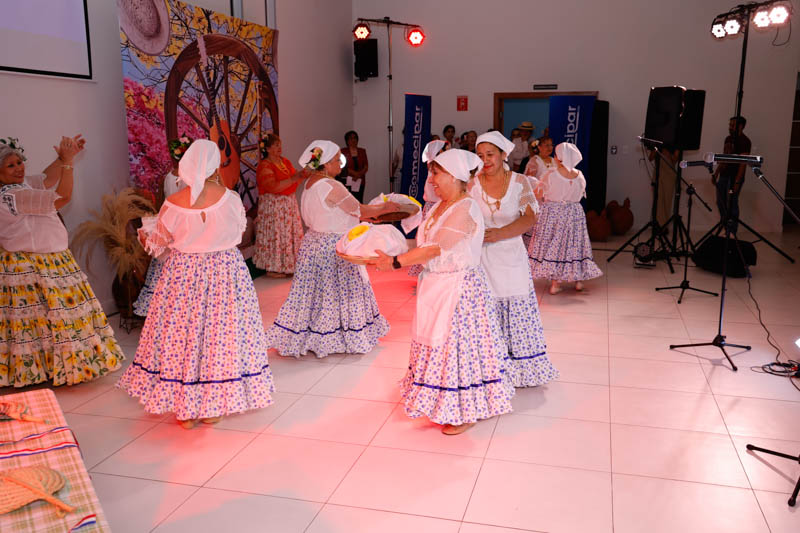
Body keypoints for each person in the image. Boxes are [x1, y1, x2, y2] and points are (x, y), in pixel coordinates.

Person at [118, 139, 274, 428]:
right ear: (215, 165)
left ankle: (185, 408)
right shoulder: (231, 198)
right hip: (225, 273)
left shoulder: (172, 204)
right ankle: (211, 405)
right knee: (219, 338)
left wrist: (145, 237)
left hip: (183, 275)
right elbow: (238, 234)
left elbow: (159, 246)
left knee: (183, 338)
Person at [374, 149, 514, 435]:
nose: (432, 179)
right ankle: (439, 399)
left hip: (459, 290)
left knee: (456, 349)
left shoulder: (466, 208)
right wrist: (390, 249)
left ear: (455, 176)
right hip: (437, 285)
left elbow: (436, 248)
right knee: (436, 345)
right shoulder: (441, 206)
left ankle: (465, 410)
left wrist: (396, 262)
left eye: (437, 173)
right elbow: (425, 244)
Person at [0, 135, 125, 387]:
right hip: (33, 265)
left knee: (45, 323)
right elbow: (62, 197)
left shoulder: (21, 187)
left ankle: (52, 369)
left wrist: (64, 158)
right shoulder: (12, 196)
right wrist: (68, 164)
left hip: (49, 261)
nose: (19, 168)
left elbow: (46, 178)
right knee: (44, 322)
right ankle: (50, 370)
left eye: (19, 162)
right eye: (11, 166)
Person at [266, 140, 398, 358]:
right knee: (337, 293)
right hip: (332, 247)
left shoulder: (310, 183)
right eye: (337, 160)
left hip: (313, 244)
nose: (340, 163)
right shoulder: (331, 185)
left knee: (314, 294)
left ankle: (313, 334)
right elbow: (360, 210)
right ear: (325, 164)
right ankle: (337, 336)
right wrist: (385, 208)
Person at [472, 132, 557, 388]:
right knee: (486, 309)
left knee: (515, 308)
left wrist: (500, 233)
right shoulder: (471, 184)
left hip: (510, 254)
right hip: (482, 257)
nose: (485, 160)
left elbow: (530, 216)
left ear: (503, 155)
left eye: (490, 155)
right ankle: (491, 368)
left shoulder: (519, 181)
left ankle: (521, 369)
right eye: (480, 155)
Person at [528, 142, 603, 294]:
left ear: (559, 158)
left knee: (556, 245)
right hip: (574, 213)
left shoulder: (551, 174)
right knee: (574, 245)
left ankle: (555, 283)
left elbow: (539, 193)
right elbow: (581, 193)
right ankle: (578, 281)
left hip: (554, 213)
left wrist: (534, 185)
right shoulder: (579, 175)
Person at [134, 135, 192, 316]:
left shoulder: (167, 177)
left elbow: (162, 203)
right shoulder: (187, 178)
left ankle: (165, 311)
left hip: (169, 222)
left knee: (164, 266)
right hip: (182, 224)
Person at [253, 134, 305, 277]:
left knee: (287, 235)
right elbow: (272, 186)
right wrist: (294, 179)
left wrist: (305, 172)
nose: (279, 148)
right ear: (268, 149)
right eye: (275, 145)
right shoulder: (265, 165)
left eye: (279, 144)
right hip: (274, 206)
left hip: (287, 205)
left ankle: (288, 265)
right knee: (276, 234)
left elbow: (296, 180)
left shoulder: (285, 162)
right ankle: (273, 268)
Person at [408, 139, 447, 278]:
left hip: (435, 206)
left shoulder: (435, 168)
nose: (445, 153)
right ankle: (428, 269)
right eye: (443, 150)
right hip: (434, 207)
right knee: (431, 238)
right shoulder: (434, 170)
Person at [712, 116, 751, 234]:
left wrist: (737, 182)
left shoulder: (745, 141)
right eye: (729, 125)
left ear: (740, 126)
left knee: (732, 203)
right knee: (720, 202)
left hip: (734, 177)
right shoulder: (728, 139)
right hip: (724, 175)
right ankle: (726, 227)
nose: (730, 127)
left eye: (732, 125)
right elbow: (724, 157)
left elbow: (743, 164)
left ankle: (731, 232)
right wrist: (716, 173)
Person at [523, 135, 556, 248]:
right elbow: (527, 181)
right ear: (540, 147)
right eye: (546, 145)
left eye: (551, 145)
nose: (549, 147)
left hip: (553, 199)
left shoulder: (554, 160)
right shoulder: (535, 161)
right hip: (539, 200)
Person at [648, 146, 680, 228]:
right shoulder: (657, 141)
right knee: (658, 201)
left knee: (667, 200)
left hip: (669, 174)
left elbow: (675, 160)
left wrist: (667, 152)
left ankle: (664, 227)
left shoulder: (675, 142)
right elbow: (650, 158)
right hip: (658, 173)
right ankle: (657, 226)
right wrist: (657, 150)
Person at [340, 130, 368, 203]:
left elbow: (366, 166)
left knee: (359, 201)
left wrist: (359, 175)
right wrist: (354, 174)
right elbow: (342, 166)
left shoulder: (362, 151)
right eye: (351, 138)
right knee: (348, 202)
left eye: (355, 138)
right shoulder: (342, 151)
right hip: (348, 180)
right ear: (347, 140)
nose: (353, 140)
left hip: (360, 180)